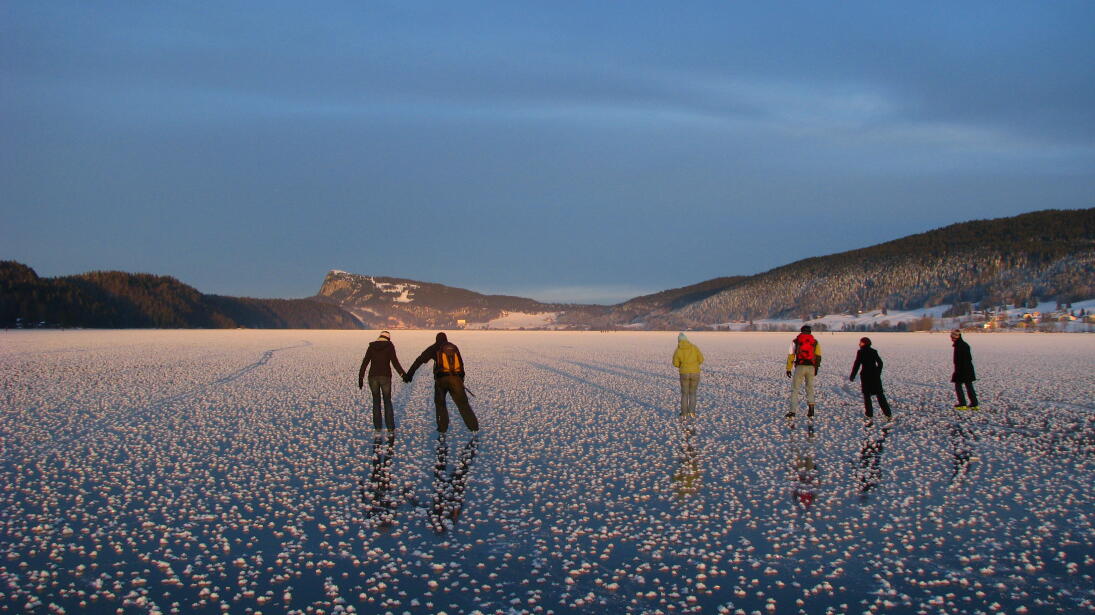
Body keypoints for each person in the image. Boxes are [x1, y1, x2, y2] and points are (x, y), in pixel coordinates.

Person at [405, 332, 479, 433]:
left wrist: (409, 375)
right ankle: (474, 427)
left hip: (441, 380)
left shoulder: (434, 347)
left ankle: (442, 428)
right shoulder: (454, 347)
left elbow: (420, 360)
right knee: (463, 404)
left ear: (437, 339)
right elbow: (461, 365)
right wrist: (461, 380)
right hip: (456, 379)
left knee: (440, 404)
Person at [357, 331, 407, 431]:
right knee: (387, 401)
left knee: (376, 402)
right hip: (385, 377)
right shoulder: (389, 346)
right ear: (388, 338)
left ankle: (378, 427)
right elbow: (395, 362)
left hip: (372, 377)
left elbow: (365, 362)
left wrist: (360, 377)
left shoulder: (372, 346)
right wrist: (403, 375)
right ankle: (390, 428)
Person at [849, 337, 892, 420]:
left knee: (867, 396)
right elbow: (880, 363)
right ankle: (888, 414)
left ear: (864, 343)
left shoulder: (860, 352)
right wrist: (877, 372)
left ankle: (869, 414)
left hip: (865, 376)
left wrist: (852, 375)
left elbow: (857, 364)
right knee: (880, 395)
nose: (859, 344)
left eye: (860, 342)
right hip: (875, 376)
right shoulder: (873, 351)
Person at [785, 325, 822, 418]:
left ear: (801, 331)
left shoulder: (796, 341)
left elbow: (791, 355)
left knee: (795, 389)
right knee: (810, 388)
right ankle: (811, 409)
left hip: (800, 367)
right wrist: (816, 368)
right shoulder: (815, 342)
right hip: (811, 367)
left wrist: (788, 368)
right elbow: (818, 356)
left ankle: (792, 411)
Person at [672, 332, 704, 418]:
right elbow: (701, 359)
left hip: (684, 373)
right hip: (695, 372)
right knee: (693, 393)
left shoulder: (678, 350)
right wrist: (695, 365)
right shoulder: (694, 347)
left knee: (684, 394)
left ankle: (684, 413)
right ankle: (692, 412)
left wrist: (682, 366)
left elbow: (675, 363)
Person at [950, 329, 979, 410]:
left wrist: (958, 371)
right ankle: (974, 404)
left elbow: (963, 360)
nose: (951, 338)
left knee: (958, 386)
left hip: (963, 370)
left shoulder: (960, 346)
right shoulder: (962, 344)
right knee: (969, 386)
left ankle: (962, 404)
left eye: (952, 337)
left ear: (957, 337)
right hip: (967, 370)